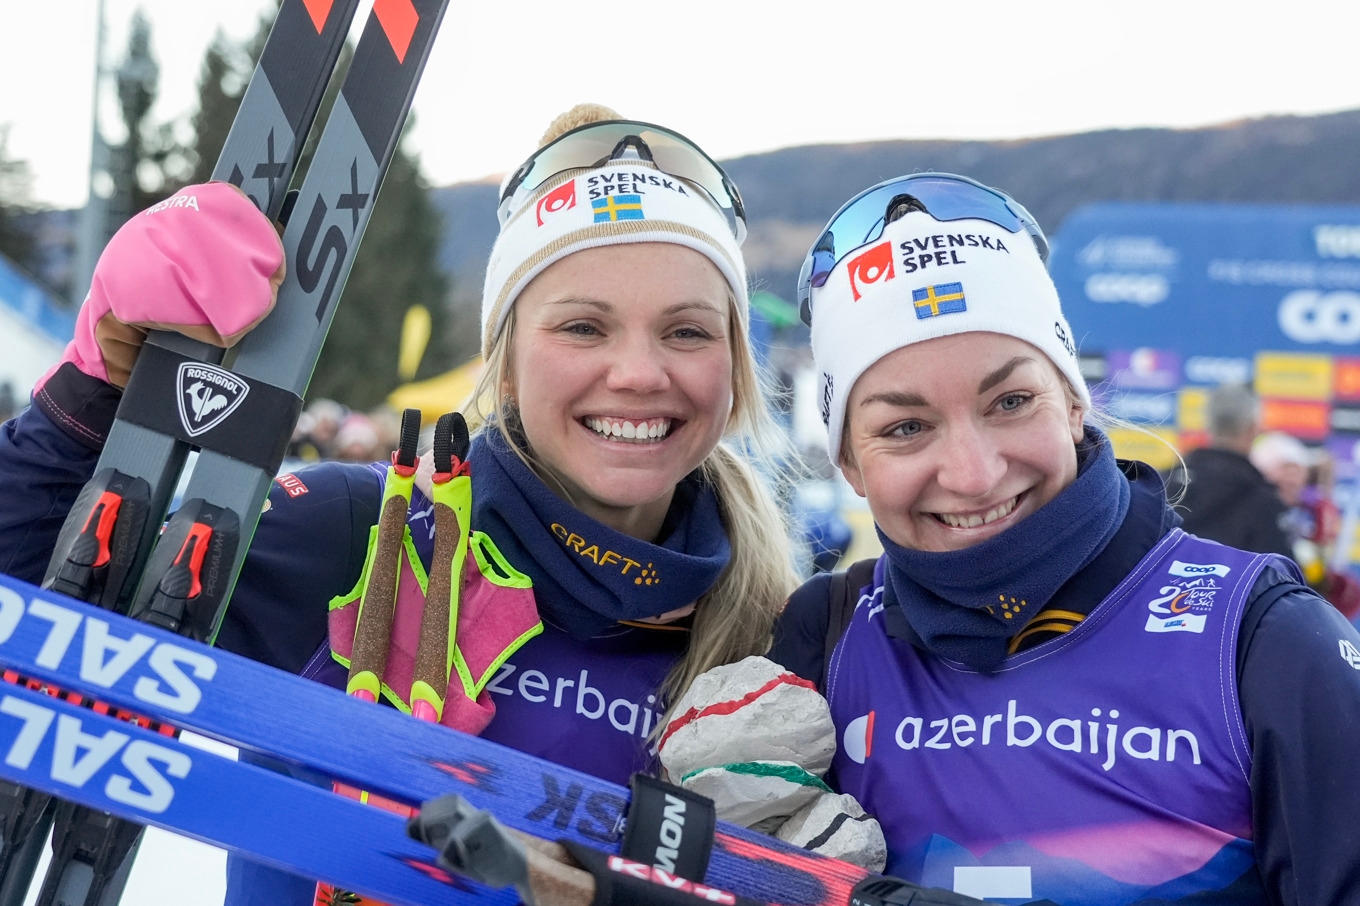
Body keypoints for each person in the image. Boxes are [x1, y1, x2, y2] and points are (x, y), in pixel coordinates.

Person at [0, 104, 801, 902]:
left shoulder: (782, 639)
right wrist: (88, 396)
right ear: (507, 364)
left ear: (733, 366)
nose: (639, 373)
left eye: (688, 332)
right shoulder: (357, 534)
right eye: (585, 327)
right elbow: (38, 615)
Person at [766, 173, 1360, 904]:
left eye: (1011, 401)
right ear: (850, 464)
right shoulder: (819, 640)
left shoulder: (1259, 638)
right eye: (905, 427)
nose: (975, 474)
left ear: (1074, 402)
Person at [1164, 383, 1294, 558]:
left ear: (1209, 426)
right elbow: (1284, 577)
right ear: (1252, 429)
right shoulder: (1262, 502)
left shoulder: (1161, 486)